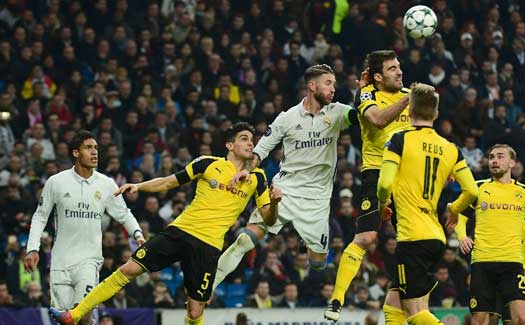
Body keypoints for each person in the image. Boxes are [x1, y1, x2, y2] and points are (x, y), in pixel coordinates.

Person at [50, 122, 282, 325]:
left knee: (195, 310)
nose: (251, 144)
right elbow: (168, 183)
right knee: (128, 269)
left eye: (252, 140)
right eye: (244, 139)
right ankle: (74, 314)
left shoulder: (258, 177)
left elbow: (268, 218)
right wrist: (139, 186)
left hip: (209, 247)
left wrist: (274, 203)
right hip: (180, 231)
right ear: (230, 145)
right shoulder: (207, 164)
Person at [212, 64, 358, 294]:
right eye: (328, 83)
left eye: (334, 84)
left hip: (317, 199)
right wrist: (246, 169)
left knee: (318, 264)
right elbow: (261, 150)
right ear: (312, 86)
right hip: (285, 190)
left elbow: (362, 117)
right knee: (244, 241)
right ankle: (206, 288)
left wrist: (365, 94)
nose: (333, 89)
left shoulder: (337, 112)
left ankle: (303, 236)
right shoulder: (287, 118)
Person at [377, 83, 479, 324]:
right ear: (435, 114)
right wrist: (454, 208)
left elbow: (383, 184)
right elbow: (472, 191)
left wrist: (383, 204)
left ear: (409, 111)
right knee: (393, 304)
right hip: (436, 236)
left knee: (414, 313)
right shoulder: (451, 148)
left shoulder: (399, 139)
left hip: (412, 237)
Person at [24, 130, 145, 325]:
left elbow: (124, 213)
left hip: (89, 260)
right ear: (75, 153)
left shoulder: (106, 184)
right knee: (66, 320)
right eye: (88, 148)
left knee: (83, 314)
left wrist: (138, 235)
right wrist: (32, 248)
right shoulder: (56, 182)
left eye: (96, 148)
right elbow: (40, 216)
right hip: (60, 262)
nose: (94, 152)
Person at [325, 49, 411, 321]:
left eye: (399, 67)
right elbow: (377, 119)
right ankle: (337, 298)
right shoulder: (367, 94)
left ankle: (403, 299)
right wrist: (410, 98)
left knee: (412, 243)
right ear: (377, 76)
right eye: (391, 69)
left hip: (408, 179)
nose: (399, 72)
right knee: (365, 237)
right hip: (376, 172)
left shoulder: (411, 94)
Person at [456, 144, 525, 325]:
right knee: (480, 321)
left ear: (512, 163)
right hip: (482, 263)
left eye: (500, 156)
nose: (494, 160)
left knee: (520, 319)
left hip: (512, 263)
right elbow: (459, 217)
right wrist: (462, 237)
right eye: (492, 157)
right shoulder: (477, 189)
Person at [456, 214, 525, 324]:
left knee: (513, 321)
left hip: (513, 277)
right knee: (491, 320)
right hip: (491, 275)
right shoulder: (489, 217)